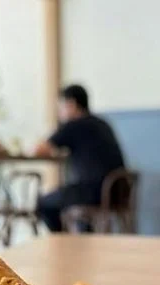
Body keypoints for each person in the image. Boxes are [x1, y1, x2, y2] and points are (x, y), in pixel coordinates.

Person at [33, 85, 126, 232]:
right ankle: (82, 240)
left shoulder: (73, 125)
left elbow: (39, 150)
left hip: (93, 192)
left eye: (61, 107)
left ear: (71, 104)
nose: (59, 113)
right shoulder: (102, 123)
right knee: (73, 195)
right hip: (117, 191)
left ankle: (62, 243)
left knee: (44, 203)